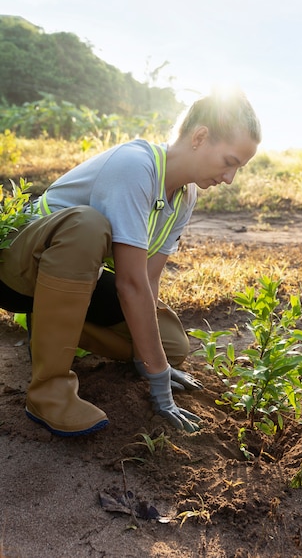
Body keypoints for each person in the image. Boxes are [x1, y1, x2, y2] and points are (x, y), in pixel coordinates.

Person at [0, 89, 261, 437]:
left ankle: (47, 328)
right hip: (16, 267)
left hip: (64, 280)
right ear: (200, 137)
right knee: (88, 225)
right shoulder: (135, 166)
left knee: (170, 345)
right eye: (229, 162)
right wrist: (159, 388)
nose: (229, 178)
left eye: (238, 168)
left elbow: (147, 281)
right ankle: (48, 393)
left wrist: (152, 361)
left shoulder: (185, 195)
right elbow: (129, 284)